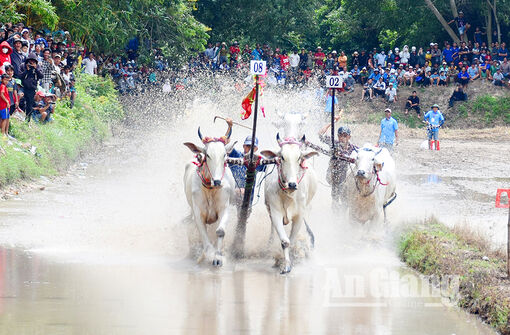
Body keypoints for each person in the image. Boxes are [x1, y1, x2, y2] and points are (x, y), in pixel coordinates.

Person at [306, 113, 357, 207]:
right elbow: (320, 134)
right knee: (335, 199)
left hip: (346, 177)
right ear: (338, 136)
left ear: (349, 137)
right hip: (334, 175)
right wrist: (332, 122)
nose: (342, 138)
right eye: (340, 135)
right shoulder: (334, 143)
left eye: (345, 136)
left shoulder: (353, 148)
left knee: (345, 200)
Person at [228, 134, 265, 206]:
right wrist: (229, 127)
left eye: (253, 147)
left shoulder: (259, 160)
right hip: (231, 196)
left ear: (256, 149)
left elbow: (272, 167)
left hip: (248, 201)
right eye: (248, 146)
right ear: (243, 146)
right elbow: (227, 145)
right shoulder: (236, 155)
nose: (250, 149)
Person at [19, 53, 42, 122]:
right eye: (30, 61)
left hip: (32, 89)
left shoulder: (37, 67)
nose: (31, 63)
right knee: (20, 100)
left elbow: (41, 76)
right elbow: (19, 75)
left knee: (30, 105)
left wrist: (36, 69)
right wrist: (27, 70)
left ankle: (28, 119)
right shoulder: (23, 65)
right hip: (23, 87)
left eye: (33, 61)